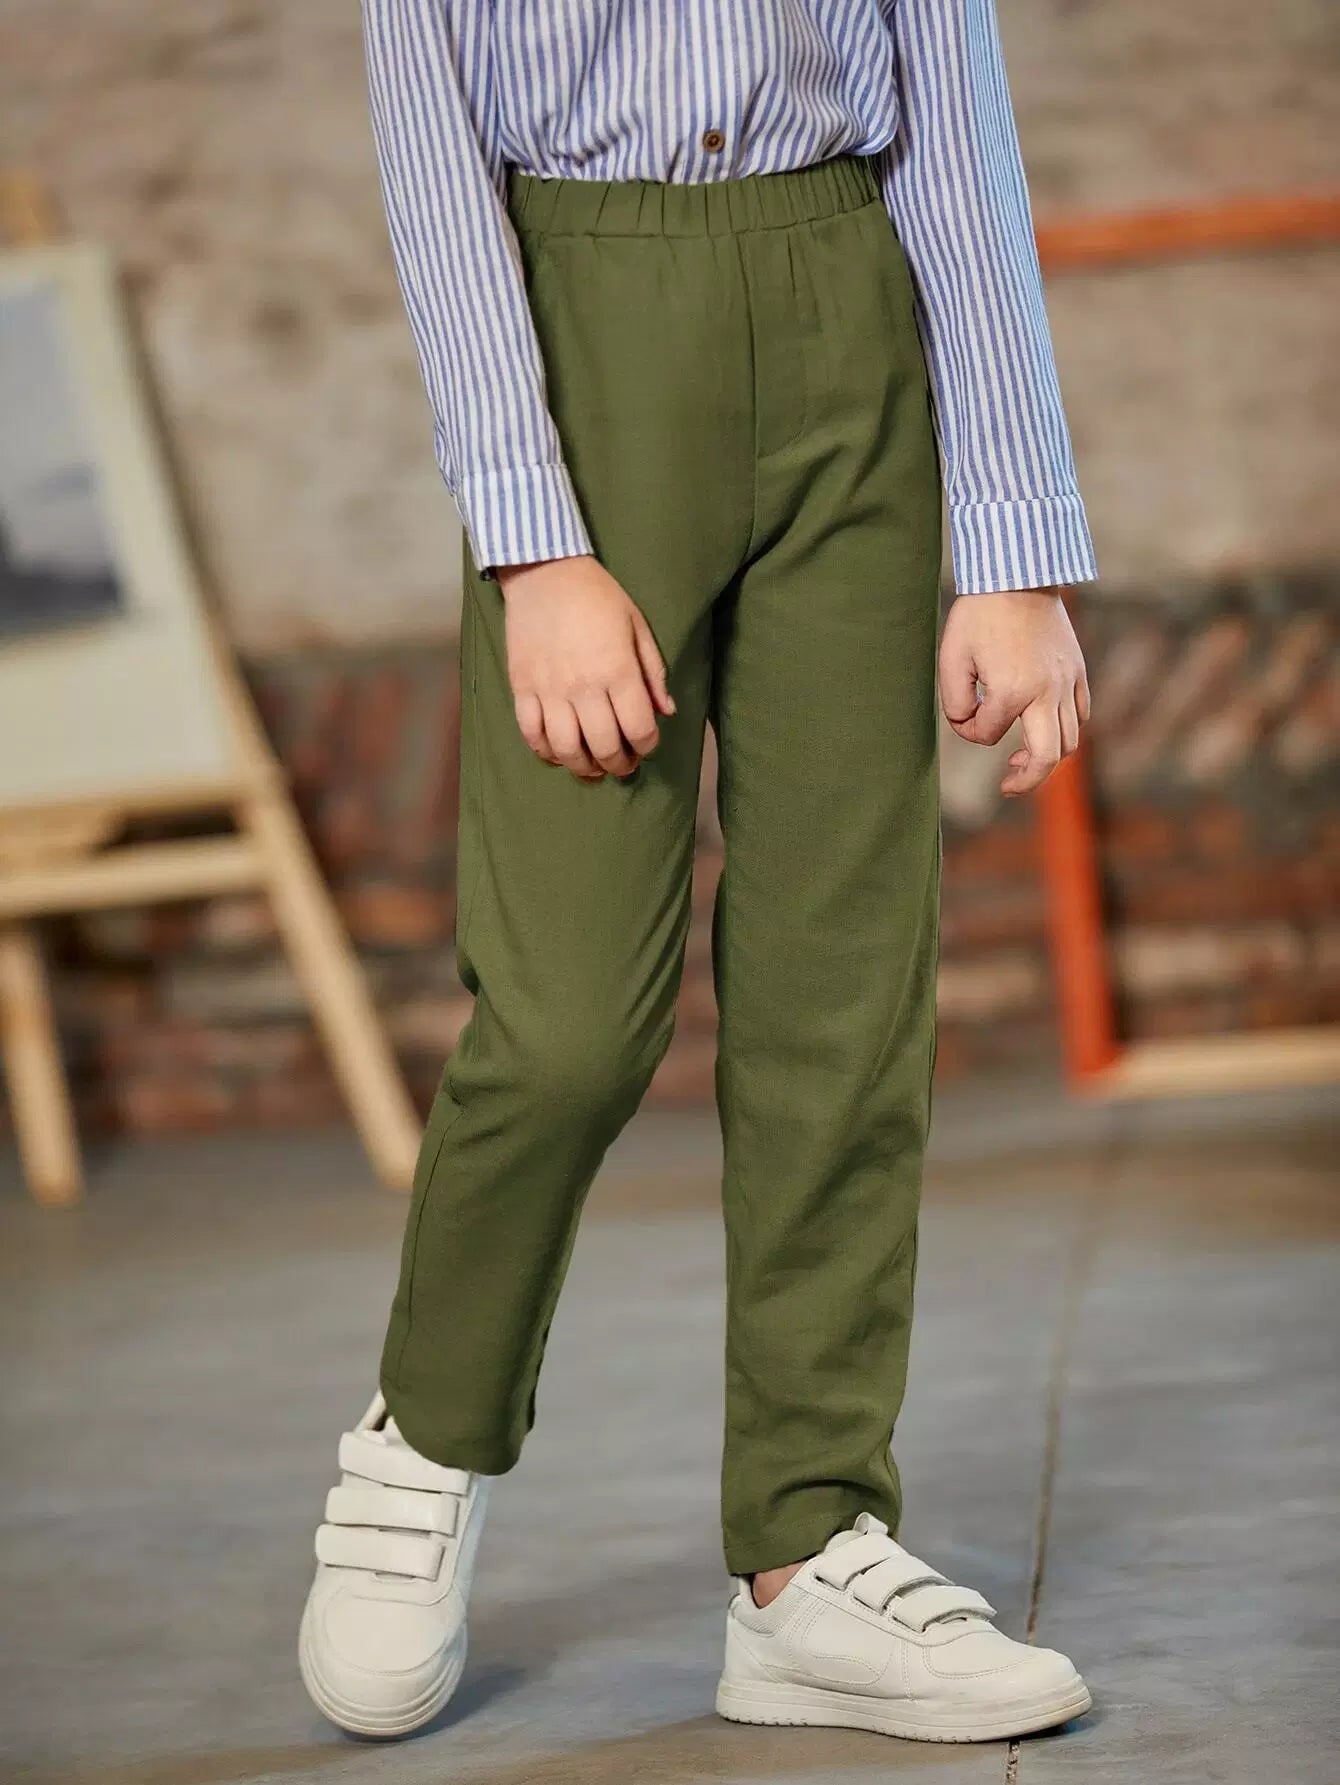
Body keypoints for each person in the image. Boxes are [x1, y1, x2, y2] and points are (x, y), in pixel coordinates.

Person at [299, 0, 1096, 1745]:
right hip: (585, 340)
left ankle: (810, 1549)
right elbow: (433, 156)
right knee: (572, 1016)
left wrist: (1015, 538)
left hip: (849, 303)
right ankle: (427, 1434)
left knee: (843, 991)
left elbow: (954, 127)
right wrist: (531, 539)